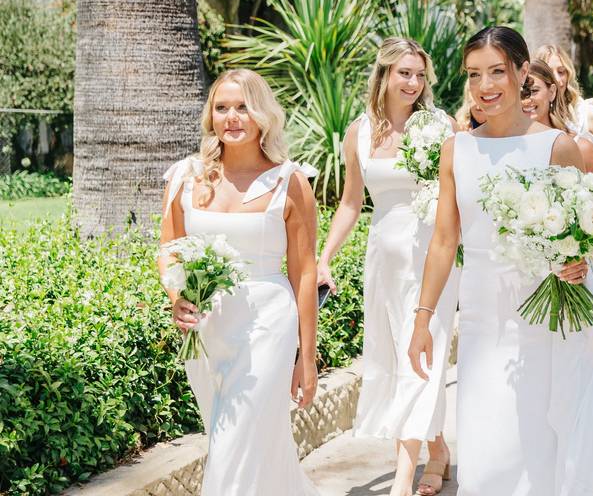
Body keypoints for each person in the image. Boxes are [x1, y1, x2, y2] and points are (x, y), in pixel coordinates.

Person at [408, 26, 593, 495]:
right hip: (480, 316)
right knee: (485, 440)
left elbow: (583, 236)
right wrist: (423, 318)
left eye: (496, 71)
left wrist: (574, 263)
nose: (485, 86)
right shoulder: (457, 149)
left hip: (543, 316)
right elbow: (443, 240)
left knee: (537, 437)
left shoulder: (558, 147)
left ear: (520, 72)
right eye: (474, 75)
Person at [158, 69, 319, 495]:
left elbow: (304, 273)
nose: (231, 117)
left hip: (267, 323)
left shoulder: (290, 182)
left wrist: (308, 356)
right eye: (222, 107)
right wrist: (178, 296)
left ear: (263, 114)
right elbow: (169, 248)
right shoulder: (185, 177)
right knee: (233, 437)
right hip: (206, 328)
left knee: (234, 443)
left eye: (243, 107)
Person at [317, 38, 459, 496]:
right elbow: (350, 204)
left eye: (420, 75)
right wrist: (324, 258)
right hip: (384, 256)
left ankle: (401, 481)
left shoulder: (441, 126)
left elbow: (459, 198)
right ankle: (437, 451)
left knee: (423, 356)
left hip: (431, 256)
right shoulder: (357, 132)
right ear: (383, 74)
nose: (414, 83)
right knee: (402, 357)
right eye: (404, 73)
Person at [520, 58, 593, 494]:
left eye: (533, 88)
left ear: (553, 90)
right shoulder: (499, 149)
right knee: (537, 394)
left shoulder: (582, 146)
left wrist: (576, 254)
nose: (526, 98)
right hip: (525, 284)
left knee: (574, 391)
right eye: (519, 89)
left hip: (576, 278)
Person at [535, 44, 593, 147]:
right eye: (549, 73)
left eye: (561, 72)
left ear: (568, 74)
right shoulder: (530, 117)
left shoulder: (590, 115)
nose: (557, 79)